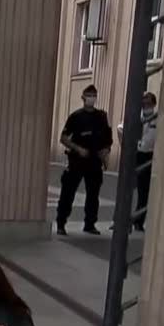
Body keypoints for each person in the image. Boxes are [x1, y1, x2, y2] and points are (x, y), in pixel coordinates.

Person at [57, 84, 113, 236]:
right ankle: (61, 223)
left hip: (94, 160)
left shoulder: (102, 117)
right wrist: (78, 149)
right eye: (89, 95)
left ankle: (90, 224)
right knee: (68, 193)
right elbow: (64, 138)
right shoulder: (76, 116)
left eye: (94, 95)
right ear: (83, 98)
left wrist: (106, 154)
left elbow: (108, 139)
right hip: (77, 159)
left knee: (93, 194)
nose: (91, 98)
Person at [116, 91, 158, 231]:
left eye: (149, 101)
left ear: (153, 103)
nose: (146, 104)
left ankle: (138, 221)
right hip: (135, 154)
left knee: (144, 191)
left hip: (148, 156)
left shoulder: (157, 118)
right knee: (127, 189)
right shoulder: (135, 117)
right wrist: (125, 146)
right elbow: (120, 129)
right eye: (144, 101)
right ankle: (121, 220)